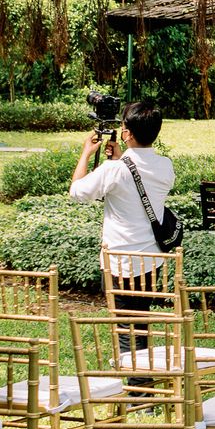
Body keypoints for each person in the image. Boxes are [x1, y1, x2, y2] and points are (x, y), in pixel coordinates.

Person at [69, 101, 173, 325]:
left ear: (127, 133)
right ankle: (140, 360)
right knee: (140, 322)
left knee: (125, 327)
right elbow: (135, 181)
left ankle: (129, 361)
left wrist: (86, 154)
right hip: (152, 260)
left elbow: (77, 192)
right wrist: (120, 159)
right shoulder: (166, 165)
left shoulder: (114, 170)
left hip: (121, 262)